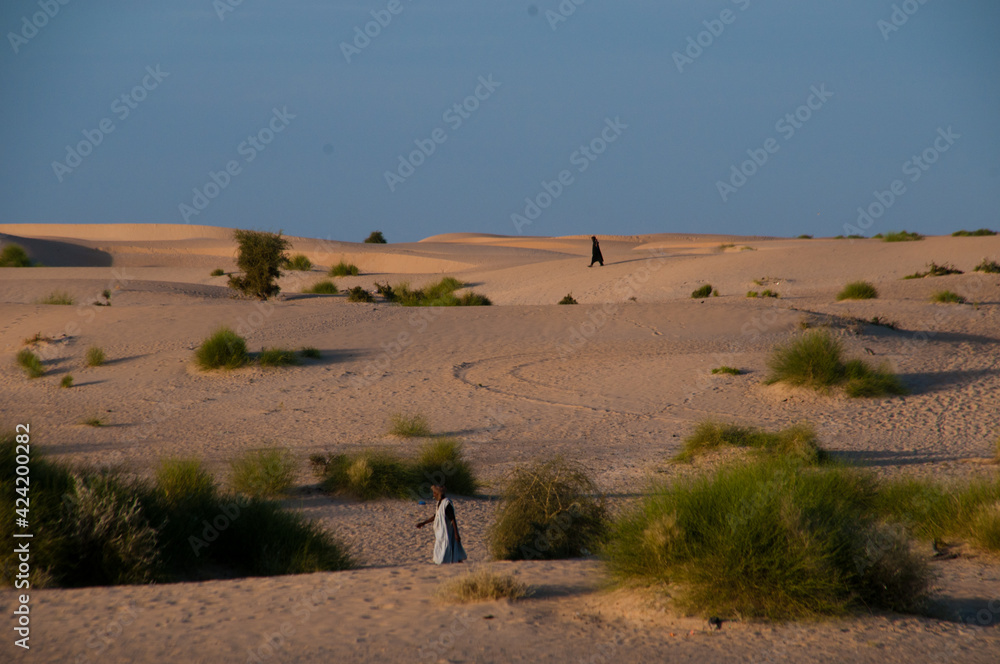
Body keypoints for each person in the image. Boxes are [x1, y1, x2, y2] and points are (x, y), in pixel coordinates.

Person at [415, 485, 466, 564]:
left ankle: (447, 563)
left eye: (434, 493)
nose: (433, 495)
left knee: (447, 547)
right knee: (441, 547)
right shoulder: (439, 503)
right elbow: (436, 516)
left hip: (447, 531)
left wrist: (456, 533)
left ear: (438, 494)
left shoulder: (447, 504)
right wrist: (423, 523)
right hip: (440, 532)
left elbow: (453, 519)